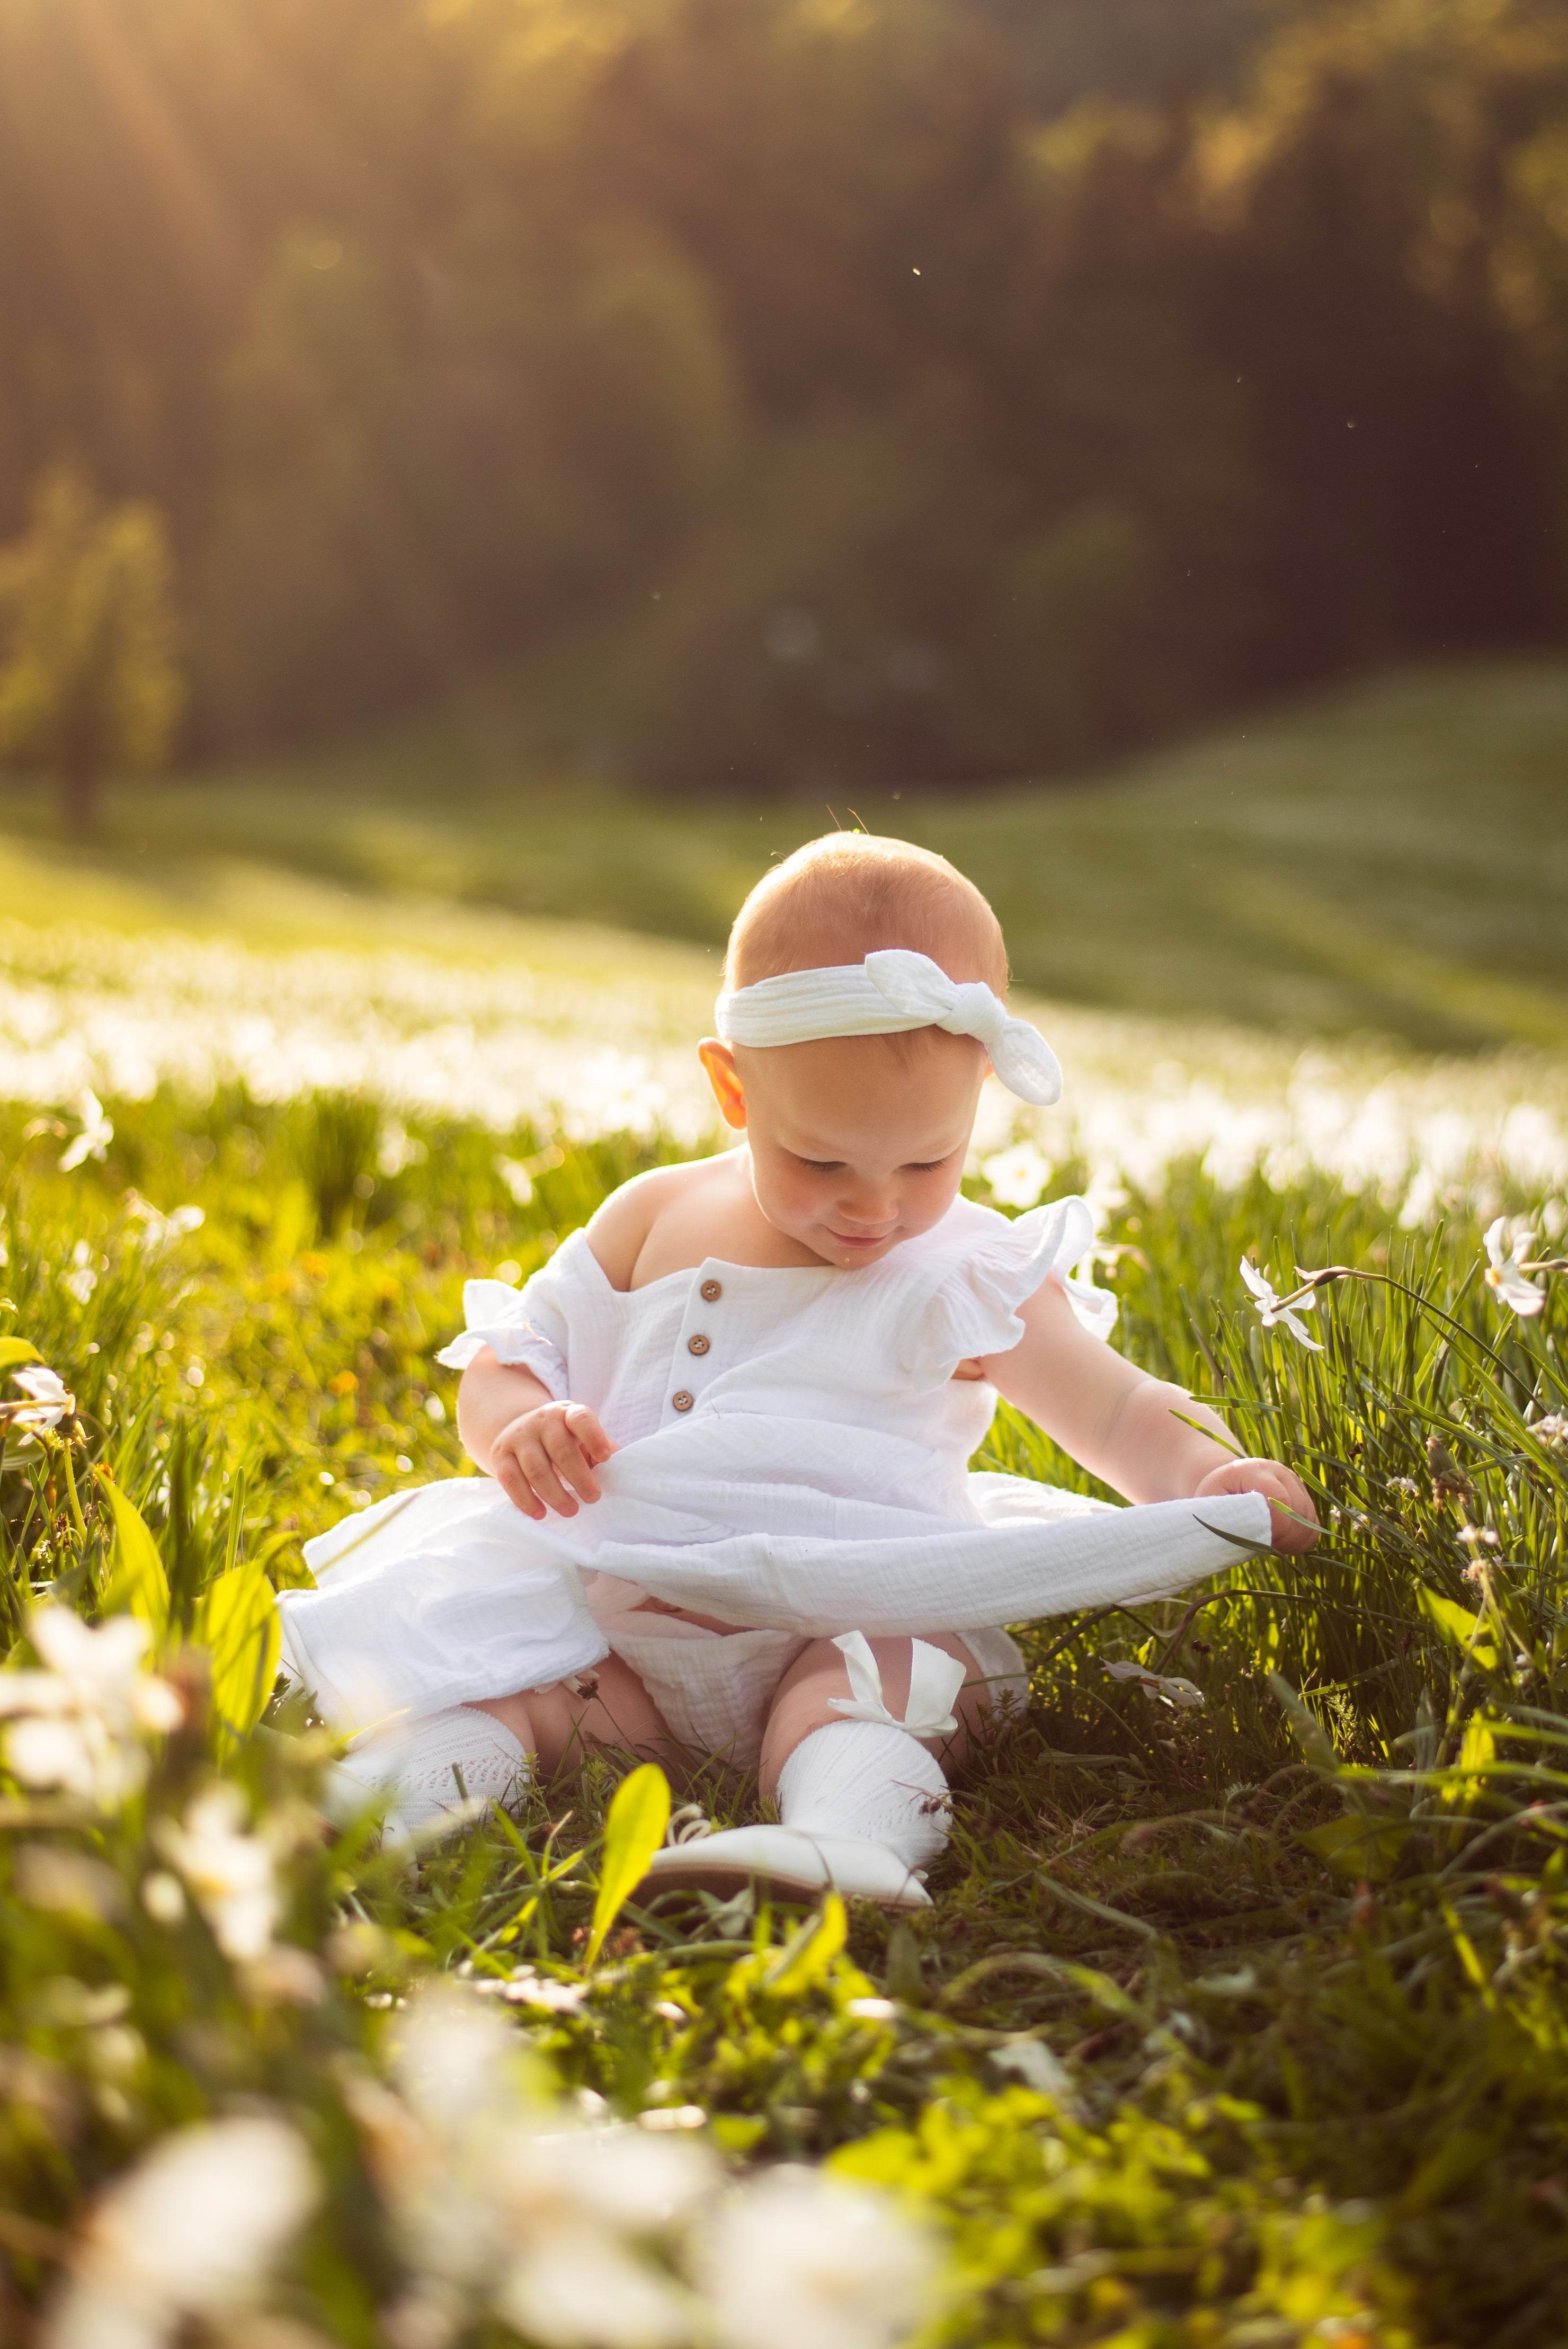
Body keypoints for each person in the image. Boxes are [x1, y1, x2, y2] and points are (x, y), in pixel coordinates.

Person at [279, 833, 1317, 1909]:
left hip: (853, 1605)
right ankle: (363, 1818)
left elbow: (1114, 1409)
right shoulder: (651, 1218)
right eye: (819, 1161)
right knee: (509, 1686)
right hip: (632, 1627)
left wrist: (1204, 1482)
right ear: (733, 1089)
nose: (875, 1207)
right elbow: (508, 1358)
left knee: (878, 1688)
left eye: (928, 1161)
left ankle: (844, 1841)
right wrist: (519, 1424)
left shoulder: (969, 1268)